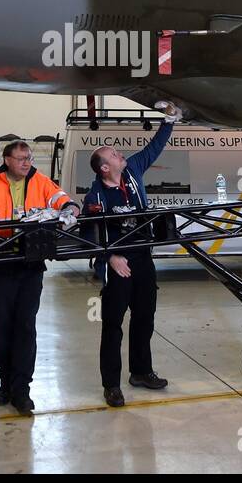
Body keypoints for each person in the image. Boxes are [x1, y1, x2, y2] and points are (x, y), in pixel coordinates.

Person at [83, 101, 181, 407]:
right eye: (113, 154)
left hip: (142, 259)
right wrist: (109, 258)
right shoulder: (95, 197)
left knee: (145, 317)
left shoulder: (134, 171)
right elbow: (88, 235)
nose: (119, 154)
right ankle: (111, 384)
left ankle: (141, 371)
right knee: (113, 325)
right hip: (118, 264)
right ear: (104, 167)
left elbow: (153, 149)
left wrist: (169, 121)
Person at [0, 141, 79, 415]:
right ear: (7, 160)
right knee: (2, 325)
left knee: (25, 326)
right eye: (20, 159)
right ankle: (4, 383)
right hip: (2, 263)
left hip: (31, 263)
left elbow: (61, 199)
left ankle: (22, 389)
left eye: (28, 158)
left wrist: (70, 207)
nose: (26, 163)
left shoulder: (41, 182)